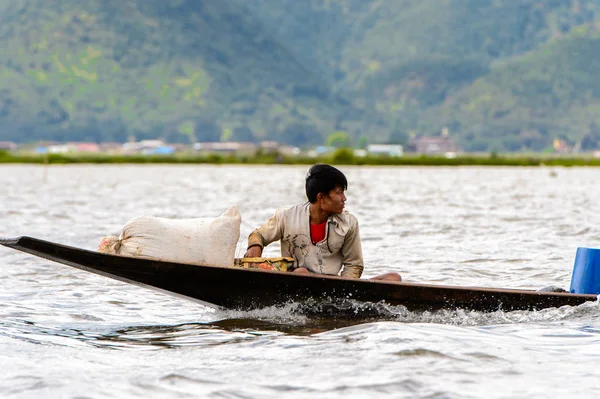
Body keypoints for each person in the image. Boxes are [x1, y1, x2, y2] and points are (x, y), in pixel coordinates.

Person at [244, 163, 402, 281]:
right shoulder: (287, 216)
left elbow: (353, 264)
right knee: (301, 273)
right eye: (339, 193)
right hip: (296, 282)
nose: (344, 199)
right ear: (321, 197)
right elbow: (259, 235)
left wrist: (345, 289)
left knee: (394, 278)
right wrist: (255, 246)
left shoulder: (349, 224)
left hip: (333, 284)